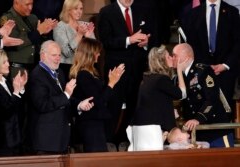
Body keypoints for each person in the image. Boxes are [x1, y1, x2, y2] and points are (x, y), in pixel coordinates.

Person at [97, 0, 151, 146]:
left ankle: (124, 139)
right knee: (113, 105)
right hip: (117, 70)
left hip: (137, 69)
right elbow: (105, 40)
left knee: (134, 105)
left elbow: (150, 34)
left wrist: (146, 42)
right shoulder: (107, 12)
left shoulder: (141, 9)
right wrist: (129, 40)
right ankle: (108, 141)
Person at [27, 40, 94, 154]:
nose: (58, 58)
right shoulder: (37, 75)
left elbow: (65, 99)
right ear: (43, 55)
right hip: (46, 142)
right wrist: (66, 94)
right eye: (54, 55)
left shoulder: (59, 73)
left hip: (60, 139)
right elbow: (43, 105)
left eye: (59, 55)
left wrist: (79, 105)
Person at [181, 0, 240, 120]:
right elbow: (191, 45)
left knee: (224, 112)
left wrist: (225, 65)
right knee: (202, 111)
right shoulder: (193, 13)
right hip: (201, 73)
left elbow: (238, 43)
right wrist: (202, 68)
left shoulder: (232, 12)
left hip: (225, 73)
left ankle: (225, 138)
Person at [126, 45, 187, 151]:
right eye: (169, 57)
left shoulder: (148, 79)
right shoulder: (161, 79)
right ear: (162, 61)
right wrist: (179, 71)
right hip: (151, 129)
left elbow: (156, 102)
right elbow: (182, 94)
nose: (172, 58)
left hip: (140, 126)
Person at [172, 43, 234, 148]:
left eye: (175, 55)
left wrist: (198, 118)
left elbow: (212, 99)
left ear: (186, 57)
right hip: (198, 133)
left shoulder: (204, 71)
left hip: (216, 130)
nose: (172, 58)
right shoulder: (178, 78)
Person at [69, 38, 125, 152]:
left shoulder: (91, 73)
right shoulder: (83, 75)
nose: (99, 54)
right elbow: (98, 101)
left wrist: (111, 81)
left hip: (96, 123)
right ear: (90, 54)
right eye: (97, 52)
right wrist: (111, 83)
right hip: (90, 124)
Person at [0, 0, 58, 77]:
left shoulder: (33, 18)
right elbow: (14, 44)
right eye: (27, 4)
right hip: (17, 69)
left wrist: (45, 33)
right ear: (16, 2)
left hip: (35, 67)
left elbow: (38, 43)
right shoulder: (7, 18)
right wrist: (38, 32)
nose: (30, 7)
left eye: (32, 4)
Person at [0, 48, 27, 156]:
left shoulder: (6, 82)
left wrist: (20, 89)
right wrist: (16, 91)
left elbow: (18, 108)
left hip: (15, 138)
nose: (8, 64)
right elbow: (5, 112)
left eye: (8, 61)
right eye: (4, 62)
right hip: (1, 141)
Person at [53, 0, 95, 78]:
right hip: (67, 68)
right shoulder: (60, 27)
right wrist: (79, 35)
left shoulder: (85, 25)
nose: (79, 12)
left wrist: (88, 37)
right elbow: (66, 52)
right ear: (68, 9)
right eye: (76, 8)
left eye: (81, 9)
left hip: (85, 67)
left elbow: (95, 52)